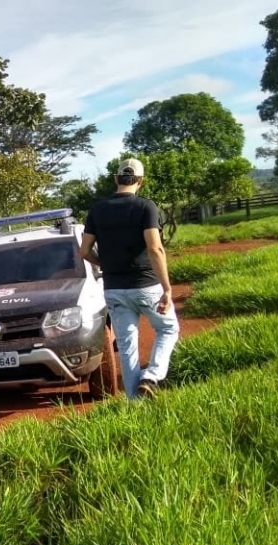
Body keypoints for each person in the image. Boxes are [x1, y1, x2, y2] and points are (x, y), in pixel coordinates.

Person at [80, 157, 180, 399]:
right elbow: (155, 248)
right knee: (168, 329)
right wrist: (167, 288)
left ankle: (135, 402)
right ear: (140, 181)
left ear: (116, 179)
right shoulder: (146, 207)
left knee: (126, 346)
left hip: (114, 288)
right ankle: (152, 376)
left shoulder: (97, 210)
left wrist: (106, 263)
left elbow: (84, 251)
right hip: (146, 285)